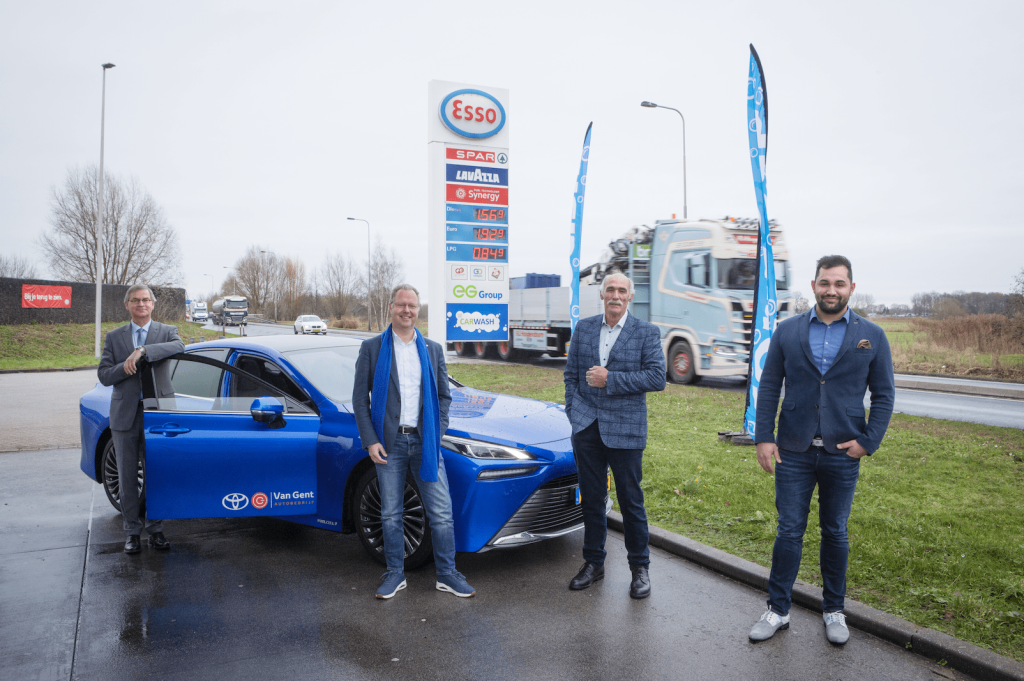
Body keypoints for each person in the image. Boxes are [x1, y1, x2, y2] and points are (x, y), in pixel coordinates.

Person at [749, 255, 895, 644]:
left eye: (839, 284)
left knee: (835, 532)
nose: (832, 290)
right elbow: (769, 388)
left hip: (841, 453)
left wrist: (867, 442)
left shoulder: (873, 336)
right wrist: (763, 437)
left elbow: (883, 395)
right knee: (789, 531)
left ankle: (834, 610)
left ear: (851, 288)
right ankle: (778, 610)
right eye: (825, 283)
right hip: (792, 450)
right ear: (814, 285)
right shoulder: (787, 331)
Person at [352, 284, 474, 600]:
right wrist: (370, 441)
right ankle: (395, 574)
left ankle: (447, 574)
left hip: (425, 442)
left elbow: (445, 396)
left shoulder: (432, 350)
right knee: (391, 513)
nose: (407, 310)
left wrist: (438, 431)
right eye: (402, 304)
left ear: (418, 310)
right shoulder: (373, 348)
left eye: (413, 306)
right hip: (388, 445)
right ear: (391, 307)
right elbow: (359, 400)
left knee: (441, 511)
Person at [563, 272, 666, 599]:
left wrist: (611, 379)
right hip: (587, 428)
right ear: (602, 294)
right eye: (610, 289)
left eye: (622, 290)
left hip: (626, 429)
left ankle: (640, 569)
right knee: (592, 500)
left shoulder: (646, 332)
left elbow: (657, 377)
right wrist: (574, 414)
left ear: (630, 296)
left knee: (631, 501)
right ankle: (594, 563)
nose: (616, 295)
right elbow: (571, 376)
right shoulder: (585, 328)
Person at [97, 284, 184, 554]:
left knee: (157, 473)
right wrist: (123, 368)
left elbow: (180, 347)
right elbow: (104, 375)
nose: (141, 304)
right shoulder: (114, 337)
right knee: (126, 477)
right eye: (135, 300)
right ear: (127, 305)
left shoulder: (167, 332)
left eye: (146, 300)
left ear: (153, 304)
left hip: (157, 415)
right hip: (125, 416)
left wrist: (143, 351)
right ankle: (131, 532)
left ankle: (155, 530)